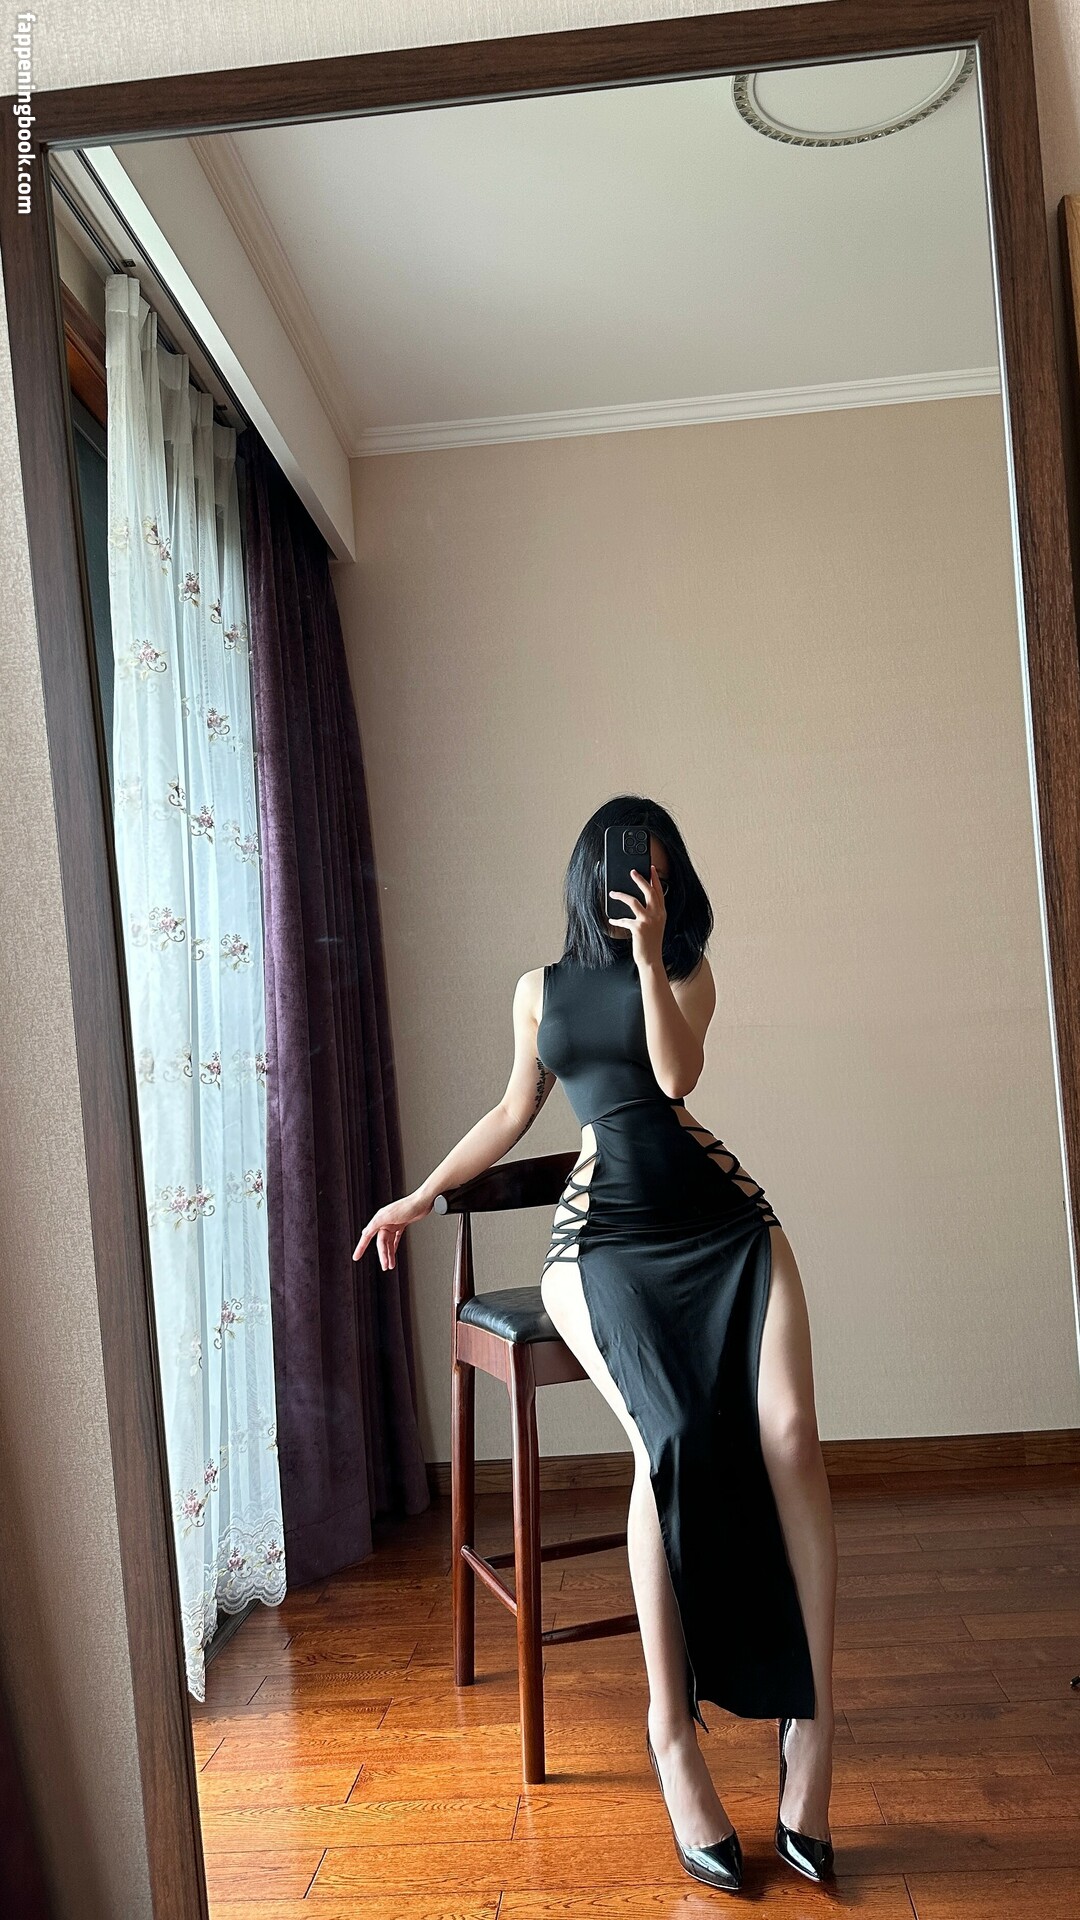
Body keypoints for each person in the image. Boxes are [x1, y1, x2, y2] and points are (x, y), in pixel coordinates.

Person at [354, 795, 838, 1892]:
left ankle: (813, 1725)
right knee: (668, 1443)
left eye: (658, 870)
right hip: (602, 1239)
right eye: (627, 869)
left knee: (793, 1436)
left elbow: (676, 1079)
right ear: (591, 873)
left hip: (722, 1223)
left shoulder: (690, 970)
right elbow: (512, 1109)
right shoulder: (537, 991)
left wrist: (652, 954)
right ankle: (671, 1735)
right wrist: (421, 1196)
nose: (642, 884)